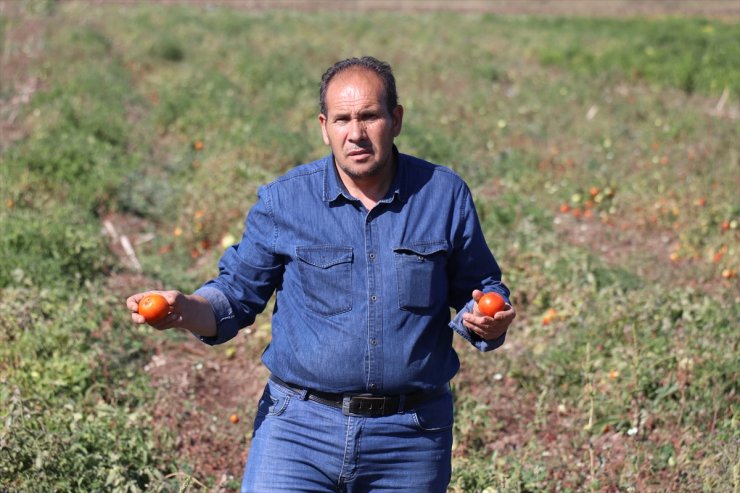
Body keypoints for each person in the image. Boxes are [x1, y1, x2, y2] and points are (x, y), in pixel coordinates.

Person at [127, 56, 515, 492]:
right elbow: (235, 296)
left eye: (369, 116)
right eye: (343, 119)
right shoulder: (285, 202)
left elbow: (482, 289)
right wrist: (182, 310)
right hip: (298, 432)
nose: (356, 133)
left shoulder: (443, 196)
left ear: (396, 119)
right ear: (323, 126)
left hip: (411, 436)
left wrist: (487, 318)